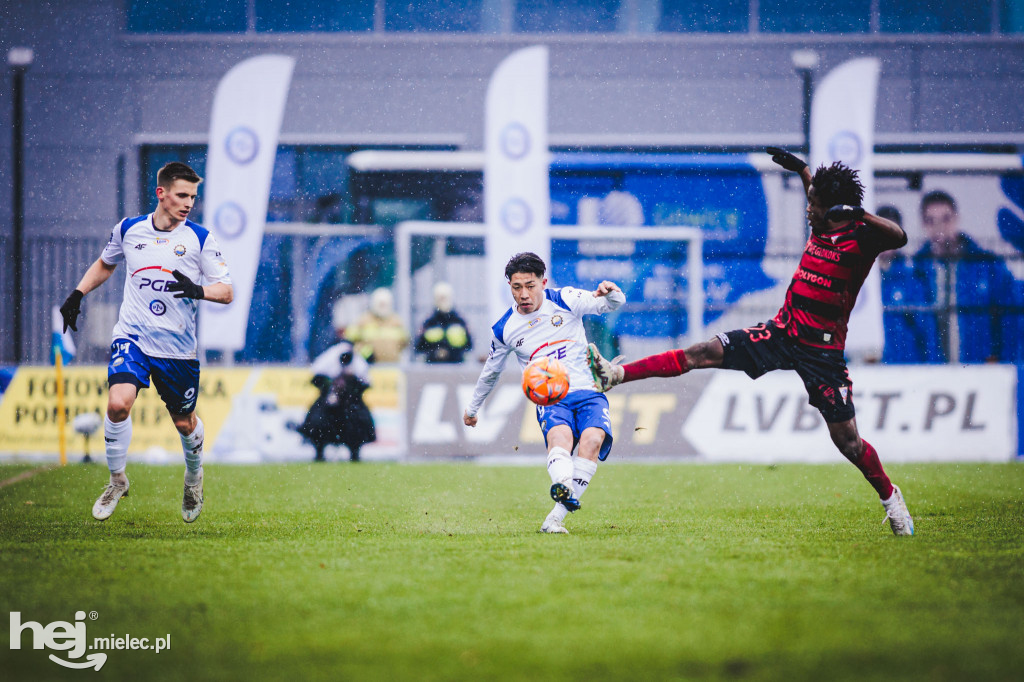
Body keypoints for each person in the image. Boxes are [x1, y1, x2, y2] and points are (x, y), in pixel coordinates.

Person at [587, 148, 915, 536]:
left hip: (822, 353)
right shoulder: (823, 226)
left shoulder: (859, 240)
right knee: (702, 352)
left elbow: (900, 236)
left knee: (849, 444)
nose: (808, 210)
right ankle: (616, 374)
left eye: (814, 205)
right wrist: (802, 170)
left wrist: (855, 212)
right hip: (782, 332)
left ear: (834, 210)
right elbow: (817, 193)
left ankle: (891, 499)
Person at [58, 162, 233, 523]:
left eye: (193, 197)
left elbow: (227, 291)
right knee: (118, 404)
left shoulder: (199, 238)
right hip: (133, 335)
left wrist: (198, 290)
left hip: (176, 348)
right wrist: (77, 293)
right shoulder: (128, 230)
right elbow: (106, 263)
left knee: (184, 424)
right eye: (182, 195)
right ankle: (117, 480)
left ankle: (194, 475)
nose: (188, 203)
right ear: (161, 193)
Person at [463, 252, 625, 534]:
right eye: (517, 287)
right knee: (560, 438)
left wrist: (612, 293)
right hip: (551, 397)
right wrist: (473, 408)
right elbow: (491, 371)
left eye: (530, 285)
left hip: (588, 389)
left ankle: (554, 518)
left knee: (592, 441)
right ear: (510, 287)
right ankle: (562, 485)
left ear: (543, 282)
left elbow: (612, 304)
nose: (524, 294)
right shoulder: (505, 329)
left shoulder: (565, 299)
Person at [908, 190, 1021, 363]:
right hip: (931, 375)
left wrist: (1002, 362)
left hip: (981, 370)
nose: (940, 228)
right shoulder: (915, 272)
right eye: (931, 221)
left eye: (946, 219)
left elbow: (1010, 319)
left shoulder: (987, 265)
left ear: (957, 219)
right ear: (923, 225)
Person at [876, 205, 945, 364]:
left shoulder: (911, 279)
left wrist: (935, 367)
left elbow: (928, 331)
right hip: (870, 368)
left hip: (906, 367)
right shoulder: (859, 278)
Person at [297, 336, 376, 462]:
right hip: (329, 398)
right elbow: (316, 378)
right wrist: (329, 386)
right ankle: (319, 451)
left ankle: (354, 452)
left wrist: (350, 388)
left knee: (360, 419)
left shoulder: (358, 363)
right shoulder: (329, 359)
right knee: (317, 419)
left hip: (350, 399)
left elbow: (365, 383)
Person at [345, 287, 410, 363]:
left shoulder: (396, 322)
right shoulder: (363, 321)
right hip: (369, 367)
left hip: (392, 367)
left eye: (385, 304)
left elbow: (405, 342)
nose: (383, 307)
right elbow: (349, 341)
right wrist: (365, 353)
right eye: (381, 304)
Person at [415, 282, 473, 363]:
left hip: (456, 367)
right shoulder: (429, 323)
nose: (442, 301)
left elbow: (469, 345)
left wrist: (452, 353)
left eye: (445, 298)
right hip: (432, 368)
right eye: (440, 298)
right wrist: (434, 353)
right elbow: (419, 346)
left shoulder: (459, 321)